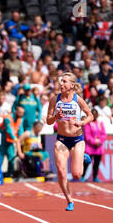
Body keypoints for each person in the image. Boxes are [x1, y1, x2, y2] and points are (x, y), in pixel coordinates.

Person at [46, 71, 93, 211]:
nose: (61, 84)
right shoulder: (54, 99)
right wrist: (55, 117)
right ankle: (69, 200)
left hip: (77, 139)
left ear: (72, 85)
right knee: (61, 172)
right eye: (61, 81)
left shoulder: (78, 100)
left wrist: (82, 122)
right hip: (61, 140)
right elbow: (48, 121)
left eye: (65, 81)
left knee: (77, 174)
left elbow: (90, 115)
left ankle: (82, 156)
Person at [0, 105, 25, 178]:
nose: (21, 114)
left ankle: (9, 174)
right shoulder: (8, 118)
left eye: (23, 113)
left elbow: (20, 131)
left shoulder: (20, 120)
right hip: (2, 141)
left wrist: (20, 138)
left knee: (11, 157)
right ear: (16, 111)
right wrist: (15, 139)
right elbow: (9, 130)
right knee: (1, 157)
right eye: (20, 112)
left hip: (10, 142)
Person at [82, 107, 107, 182]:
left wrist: (100, 142)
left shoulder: (100, 123)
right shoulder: (87, 124)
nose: (95, 116)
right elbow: (87, 136)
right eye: (93, 114)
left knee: (96, 164)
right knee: (86, 163)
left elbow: (104, 134)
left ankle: (95, 177)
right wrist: (94, 142)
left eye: (96, 114)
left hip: (98, 148)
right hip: (90, 148)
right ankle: (82, 176)